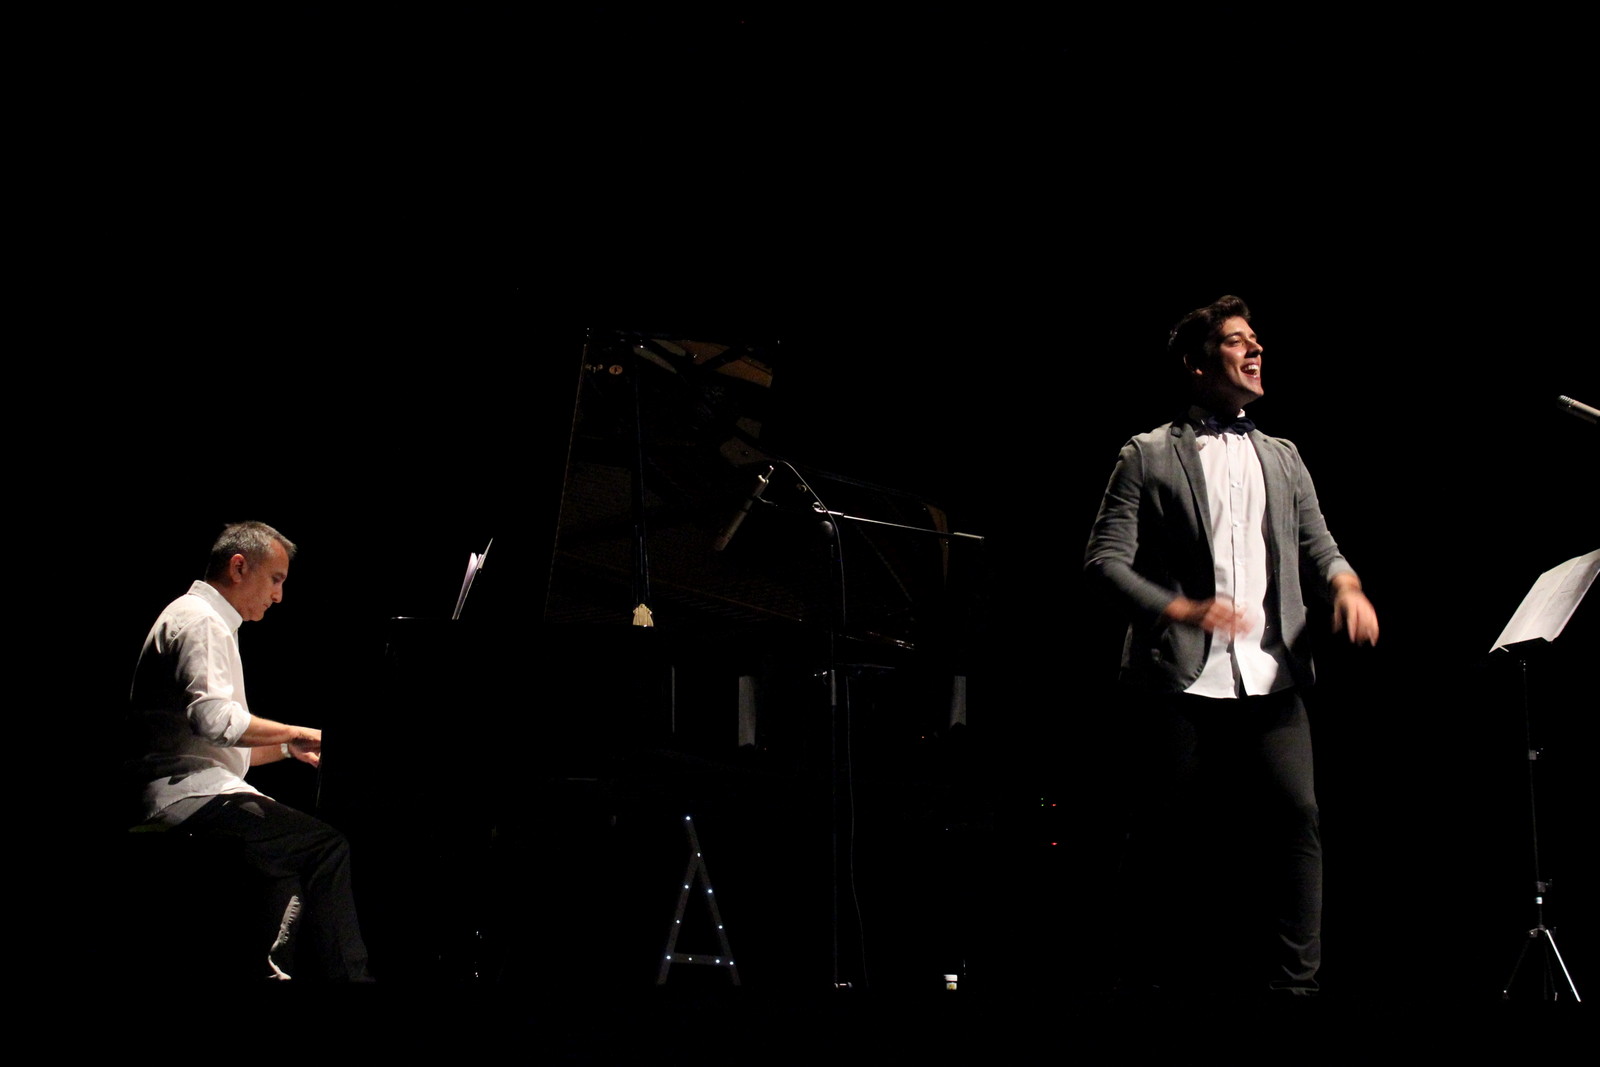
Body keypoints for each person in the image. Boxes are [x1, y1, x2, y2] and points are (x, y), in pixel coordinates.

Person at [1083, 295, 1378, 996]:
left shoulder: (1283, 456)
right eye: (1238, 341)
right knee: (1162, 839)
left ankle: (1295, 989)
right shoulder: (1147, 454)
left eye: (1256, 340)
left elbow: (1320, 545)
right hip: (1179, 680)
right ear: (1197, 363)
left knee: (1299, 820)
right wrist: (1179, 607)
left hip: (1272, 677)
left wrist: (1346, 585)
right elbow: (1104, 560)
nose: (1256, 350)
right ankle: (1142, 980)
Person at [126, 520, 370, 981]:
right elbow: (216, 721)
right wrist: (301, 730)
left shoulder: (202, 618)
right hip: (183, 797)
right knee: (325, 846)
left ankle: (275, 974)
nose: (278, 596)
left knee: (284, 865)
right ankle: (351, 980)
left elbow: (217, 747)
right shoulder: (202, 621)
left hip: (188, 788)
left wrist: (286, 747)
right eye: (275, 579)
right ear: (239, 567)